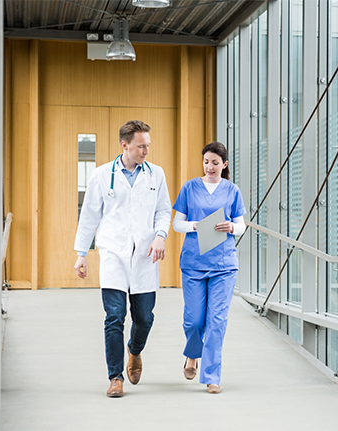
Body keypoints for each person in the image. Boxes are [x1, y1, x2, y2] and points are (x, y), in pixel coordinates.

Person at [73, 120, 171, 398]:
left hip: (145, 256)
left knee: (145, 318)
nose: (146, 151)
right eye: (141, 146)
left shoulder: (156, 174)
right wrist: (82, 254)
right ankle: (115, 377)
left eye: (148, 146)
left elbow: (164, 210)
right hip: (113, 254)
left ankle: (135, 351)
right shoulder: (103, 175)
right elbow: (89, 215)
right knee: (114, 317)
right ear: (124, 145)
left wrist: (160, 235)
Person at [172, 141, 246, 394]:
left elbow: (242, 225)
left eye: (215, 162)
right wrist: (196, 226)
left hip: (224, 265)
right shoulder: (190, 188)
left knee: (216, 321)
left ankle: (212, 376)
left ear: (224, 164)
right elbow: (177, 224)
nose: (210, 166)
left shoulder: (232, 190)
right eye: (206, 161)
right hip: (193, 263)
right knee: (193, 320)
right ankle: (192, 354)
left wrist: (231, 228)